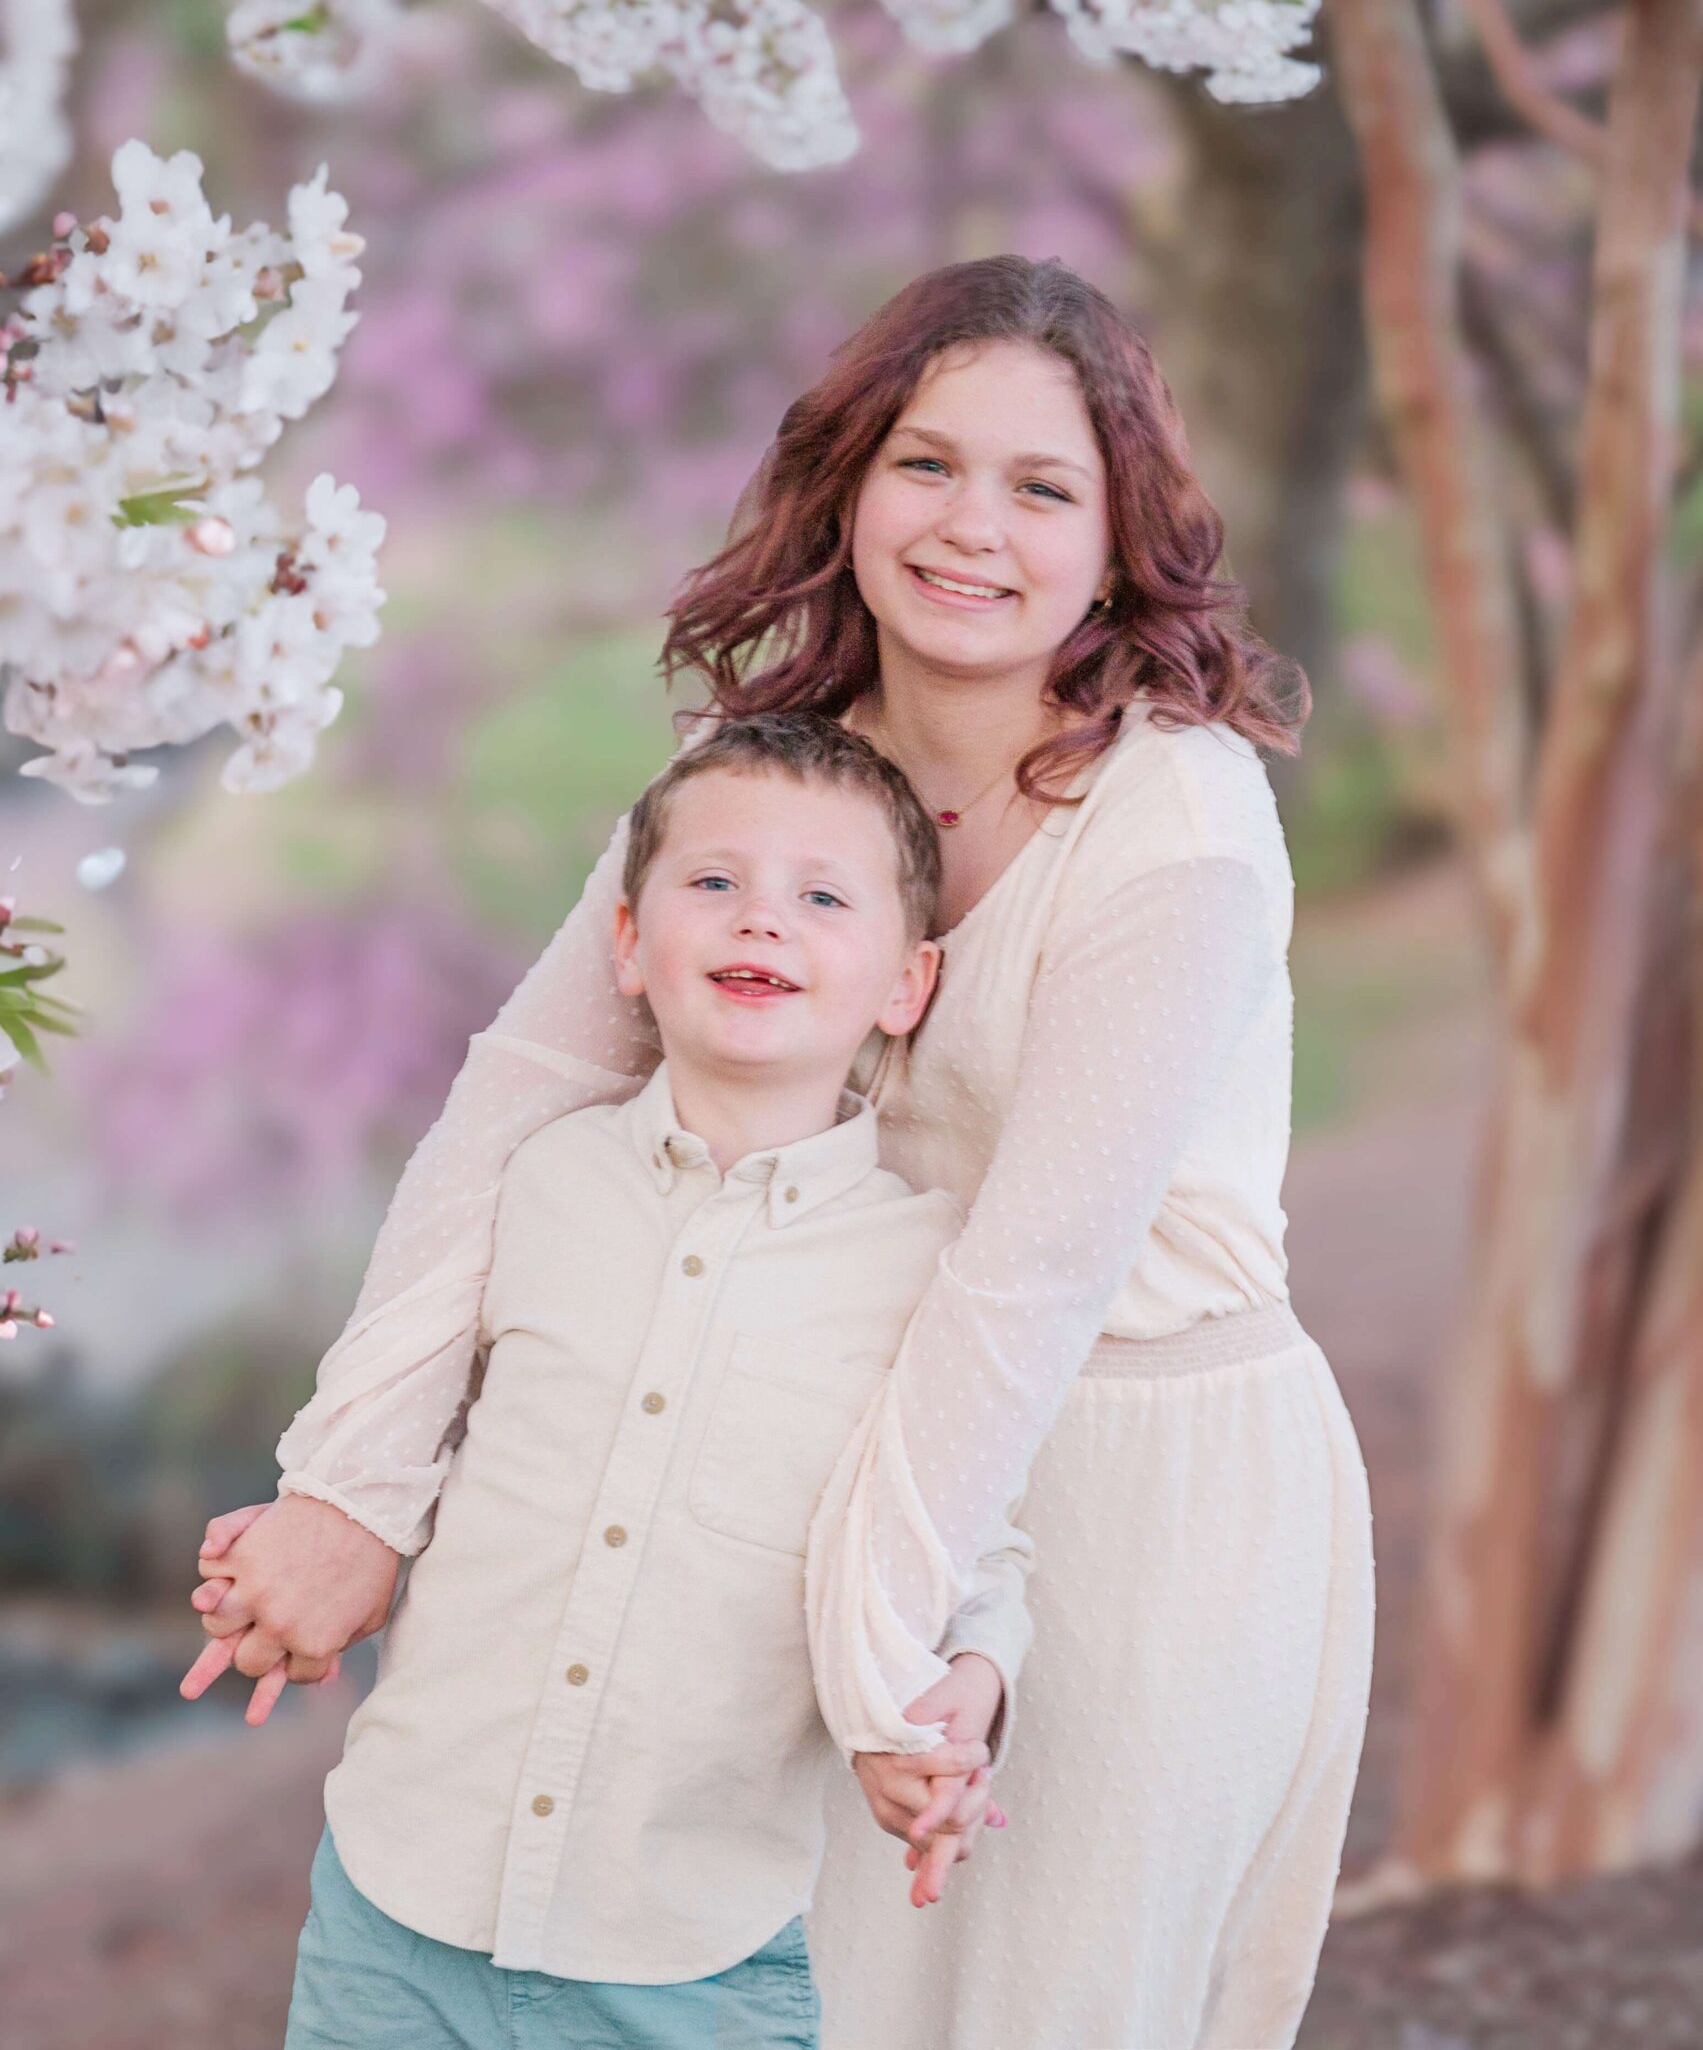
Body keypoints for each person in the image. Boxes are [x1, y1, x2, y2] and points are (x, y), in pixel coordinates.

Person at [193, 255, 1376, 2050]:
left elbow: (1030, 1275)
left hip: (1129, 1486)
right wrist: (357, 1485)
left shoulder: (1181, 824)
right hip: (838, 1442)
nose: (974, 526)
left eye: (1044, 488)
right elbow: (520, 1102)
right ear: (850, 481)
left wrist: (886, 1652)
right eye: (929, 464)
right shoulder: (774, 792)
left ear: (1119, 537)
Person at [187, 713, 1027, 2049]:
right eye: (714, 884)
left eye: (821, 897)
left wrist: (968, 1682)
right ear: (629, 945)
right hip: (393, 1916)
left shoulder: (929, 1274)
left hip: (686, 1965)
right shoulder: (536, 1184)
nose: (763, 921)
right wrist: (327, 1512)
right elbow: (411, 1413)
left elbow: (975, 1532)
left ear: (906, 983)